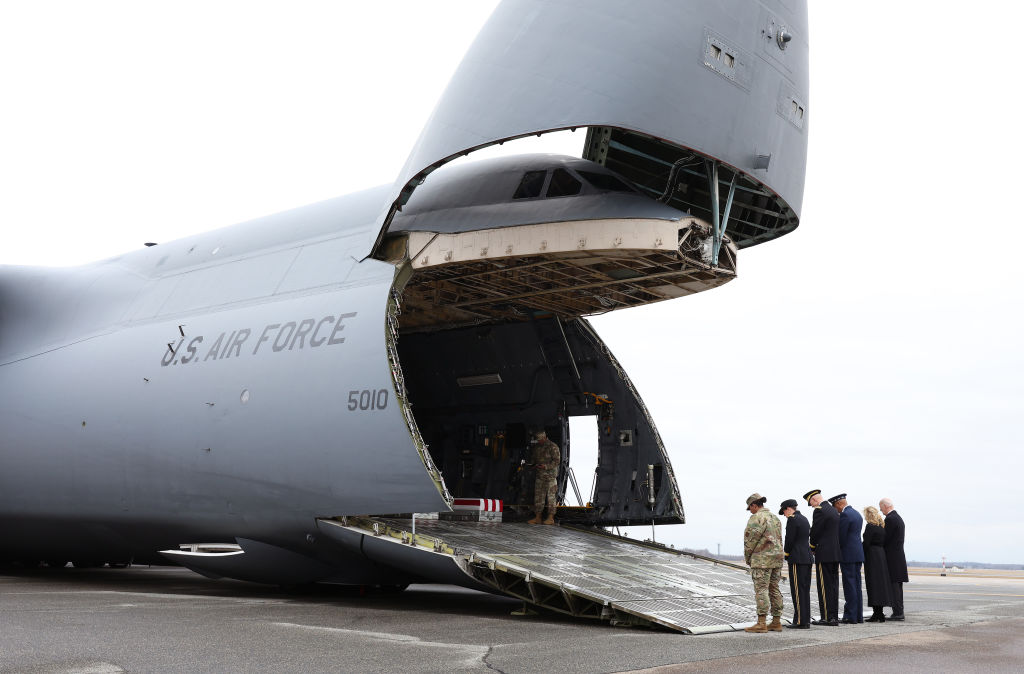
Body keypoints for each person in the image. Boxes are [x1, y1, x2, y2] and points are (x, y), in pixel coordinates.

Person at [742, 493, 785, 633]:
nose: (751, 511)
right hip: (777, 559)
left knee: (761, 590)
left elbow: (750, 541)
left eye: (750, 508)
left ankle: (761, 623)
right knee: (774, 589)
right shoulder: (775, 518)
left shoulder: (757, 518)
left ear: (754, 505)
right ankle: (776, 622)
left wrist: (748, 558)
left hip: (762, 561)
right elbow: (779, 539)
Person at [804, 489, 840, 626]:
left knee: (824, 586)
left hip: (824, 553)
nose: (812, 506)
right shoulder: (832, 510)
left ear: (814, 500)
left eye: (811, 503)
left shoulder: (819, 510)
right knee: (833, 586)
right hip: (835, 553)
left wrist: (812, 547)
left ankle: (826, 617)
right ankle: (833, 616)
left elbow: (815, 532)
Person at [831, 493, 865, 623]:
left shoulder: (845, 515)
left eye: (835, 507)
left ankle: (850, 615)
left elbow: (842, 537)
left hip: (848, 555)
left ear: (840, 504)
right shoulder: (856, 514)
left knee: (849, 585)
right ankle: (858, 615)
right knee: (857, 585)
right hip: (857, 554)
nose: (836, 510)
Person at [780, 498, 811, 629]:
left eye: (784, 512)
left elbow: (789, 540)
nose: (785, 515)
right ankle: (805, 619)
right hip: (807, 558)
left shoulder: (792, 519)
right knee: (805, 590)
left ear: (788, 509)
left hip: (797, 558)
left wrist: (786, 553)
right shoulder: (804, 518)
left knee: (797, 590)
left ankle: (800, 621)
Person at [862, 505, 892, 622]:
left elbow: (866, 543)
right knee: (880, 584)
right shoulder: (881, 526)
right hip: (881, 555)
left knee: (873, 584)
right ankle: (879, 612)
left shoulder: (870, 526)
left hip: (872, 556)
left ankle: (877, 613)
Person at [880, 497, 908, 620]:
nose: (881, 511)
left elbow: (885, 538)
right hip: (898, 557)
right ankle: (898, 611)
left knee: (894, 587)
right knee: (897, 587)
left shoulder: (890, 519)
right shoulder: (898, 518)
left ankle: (898, 612)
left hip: (892, 558)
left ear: (886, 506)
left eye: (881, 508)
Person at [527, 430, 561, 525]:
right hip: (540, 476)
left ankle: (550, 518)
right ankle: (538, 517)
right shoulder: (537, 447)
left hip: (550, 477)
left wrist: (546, 466)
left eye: (540, 440)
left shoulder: (553, 447)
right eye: (538, 440)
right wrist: (532, 464)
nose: (539, 442)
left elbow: (557, 461)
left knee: (551, 498)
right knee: (538, 498)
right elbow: (534, 459)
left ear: (544, 438)